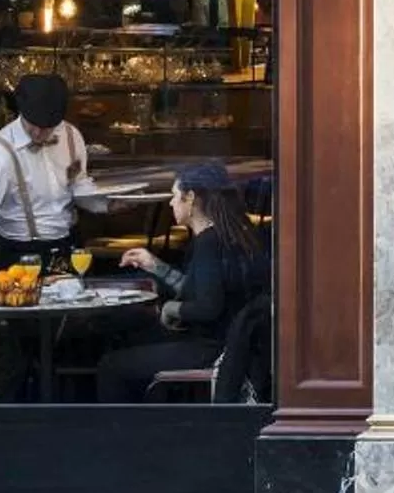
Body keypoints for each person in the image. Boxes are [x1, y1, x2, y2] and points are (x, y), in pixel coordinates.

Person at [98, 163, 268, 403]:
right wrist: (155, 266)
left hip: (214, 348)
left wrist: (171, 309)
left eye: (175, 196)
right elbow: (204, 289)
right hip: (236, 344)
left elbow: (208, 306)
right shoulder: (237, 233)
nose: (171, 203)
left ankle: (126, 435)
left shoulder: (209, 243)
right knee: (132, 338)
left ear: (191, 198)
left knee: (112, 366)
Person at [0, 72, 107, 279]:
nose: (38, 133)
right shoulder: (1, 153)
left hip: (65, 248)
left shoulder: (71, 137)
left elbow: (78, 184)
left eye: (46, 128)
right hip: (15, 254)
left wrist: (105, 203)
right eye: (32, 124)